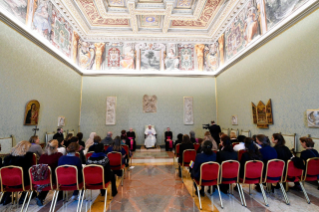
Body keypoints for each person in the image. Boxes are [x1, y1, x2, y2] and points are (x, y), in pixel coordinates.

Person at [2, 141, 33, 205]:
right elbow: (29, 170)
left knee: (12, 176)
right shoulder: (26, 157)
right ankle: (23, 198)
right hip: (21, 183)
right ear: (26, 149)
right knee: (29, 176)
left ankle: (6, 198)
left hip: (6, 182)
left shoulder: (7, 158)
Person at [37, 140, 63, 206]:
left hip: (42, 177)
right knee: (60, 172)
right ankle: (60, 195)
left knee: (49, 178)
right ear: (56, 146)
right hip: (54, 178)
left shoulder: (42, 156)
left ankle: (41, 196)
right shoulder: (59, 155)